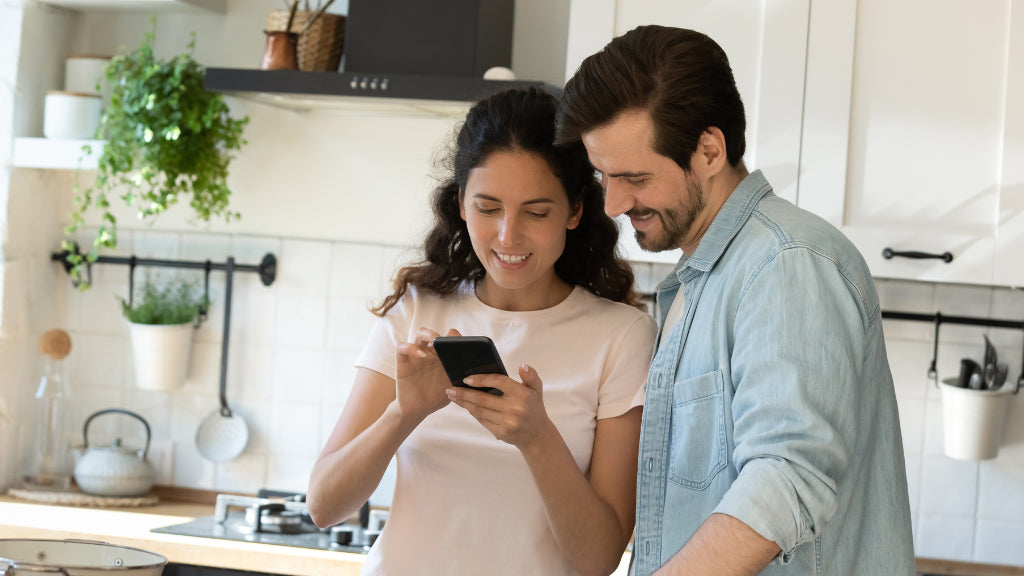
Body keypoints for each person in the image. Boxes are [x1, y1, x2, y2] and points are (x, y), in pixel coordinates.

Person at [555, 25, 916, 576]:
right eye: (605, 176)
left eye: (634, 177)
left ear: (708, 149)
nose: (614, 203)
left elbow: (786, 479)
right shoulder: (705, 278)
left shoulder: (787, 263)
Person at [307, 87, 657, 576]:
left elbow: (598, 559)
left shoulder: (622, 336)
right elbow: (323, 506)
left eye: (536, 212)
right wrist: (403, 414)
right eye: (488, 208)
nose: (509, 236)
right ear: (462, 203)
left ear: (576, 210)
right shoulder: (416, 309)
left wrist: (538, 439)